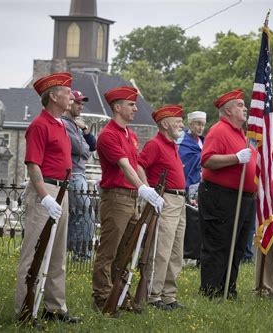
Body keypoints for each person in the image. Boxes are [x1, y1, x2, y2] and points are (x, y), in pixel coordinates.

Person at [14, 72, 81, 325]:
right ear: (53, 96)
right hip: (47, 193)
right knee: (33, 253)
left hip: (60, 192)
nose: (71, 96)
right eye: (66, 92)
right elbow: (33, 165)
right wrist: (44, 197)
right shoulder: (39, 125)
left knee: (57, 255)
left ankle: (54, 307)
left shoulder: (61, 124)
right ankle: (25, 310)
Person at [92, 86, 165, 311]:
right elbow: (124, 166)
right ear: (117, 107)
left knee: (127, 249)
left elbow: (135, 166)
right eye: (131, 104)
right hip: (116, 198)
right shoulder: (108, 135)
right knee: (110, 250)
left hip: (132, 197)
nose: (135, 108)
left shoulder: (130, 134)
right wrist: (143, 188)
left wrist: (148, 189)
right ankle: (103, 296)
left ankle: (119, 293)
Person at [198, 89, 257, 298]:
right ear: (228, 110)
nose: (245, 108)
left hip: (244, 198)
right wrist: (235, 158)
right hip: (221, 196)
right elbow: (207, 160)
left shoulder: (242, 134)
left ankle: (228, 288)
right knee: (218, 244)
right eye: (240, 105)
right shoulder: (218, 130)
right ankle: (211, 290)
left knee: (238, 246)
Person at [137, 105, 187, 311]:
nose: (181, 124)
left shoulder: (171, 144)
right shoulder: (155, 144)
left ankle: (168, 295)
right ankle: (153, 294)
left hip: (179, 201)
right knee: (161, 249)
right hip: (165, 200)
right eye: (178, 121)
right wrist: (147, 189)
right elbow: (139, 165)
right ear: (165, 124)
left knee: (176, 250)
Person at [62, 90, 96, 261]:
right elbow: (82, 149)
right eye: (78, 103)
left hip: (78, 174)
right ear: (68, 103)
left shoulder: (76, 125)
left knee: (77, 215)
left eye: (82, 103)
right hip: (73, 175)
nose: (81, 106)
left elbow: (92, 146)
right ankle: (83, 254)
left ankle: (72, 250)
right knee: (86, 213)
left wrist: (85, 130)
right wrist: (84, 145)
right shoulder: (64, 124)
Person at [178, 111, 206, 202]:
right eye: (198, 124)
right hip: (187, 183)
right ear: (190, 124)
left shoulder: (204, 142)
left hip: (202, 183)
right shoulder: (182, 140)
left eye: (203, 125)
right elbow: (184, 161)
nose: (201, 128)